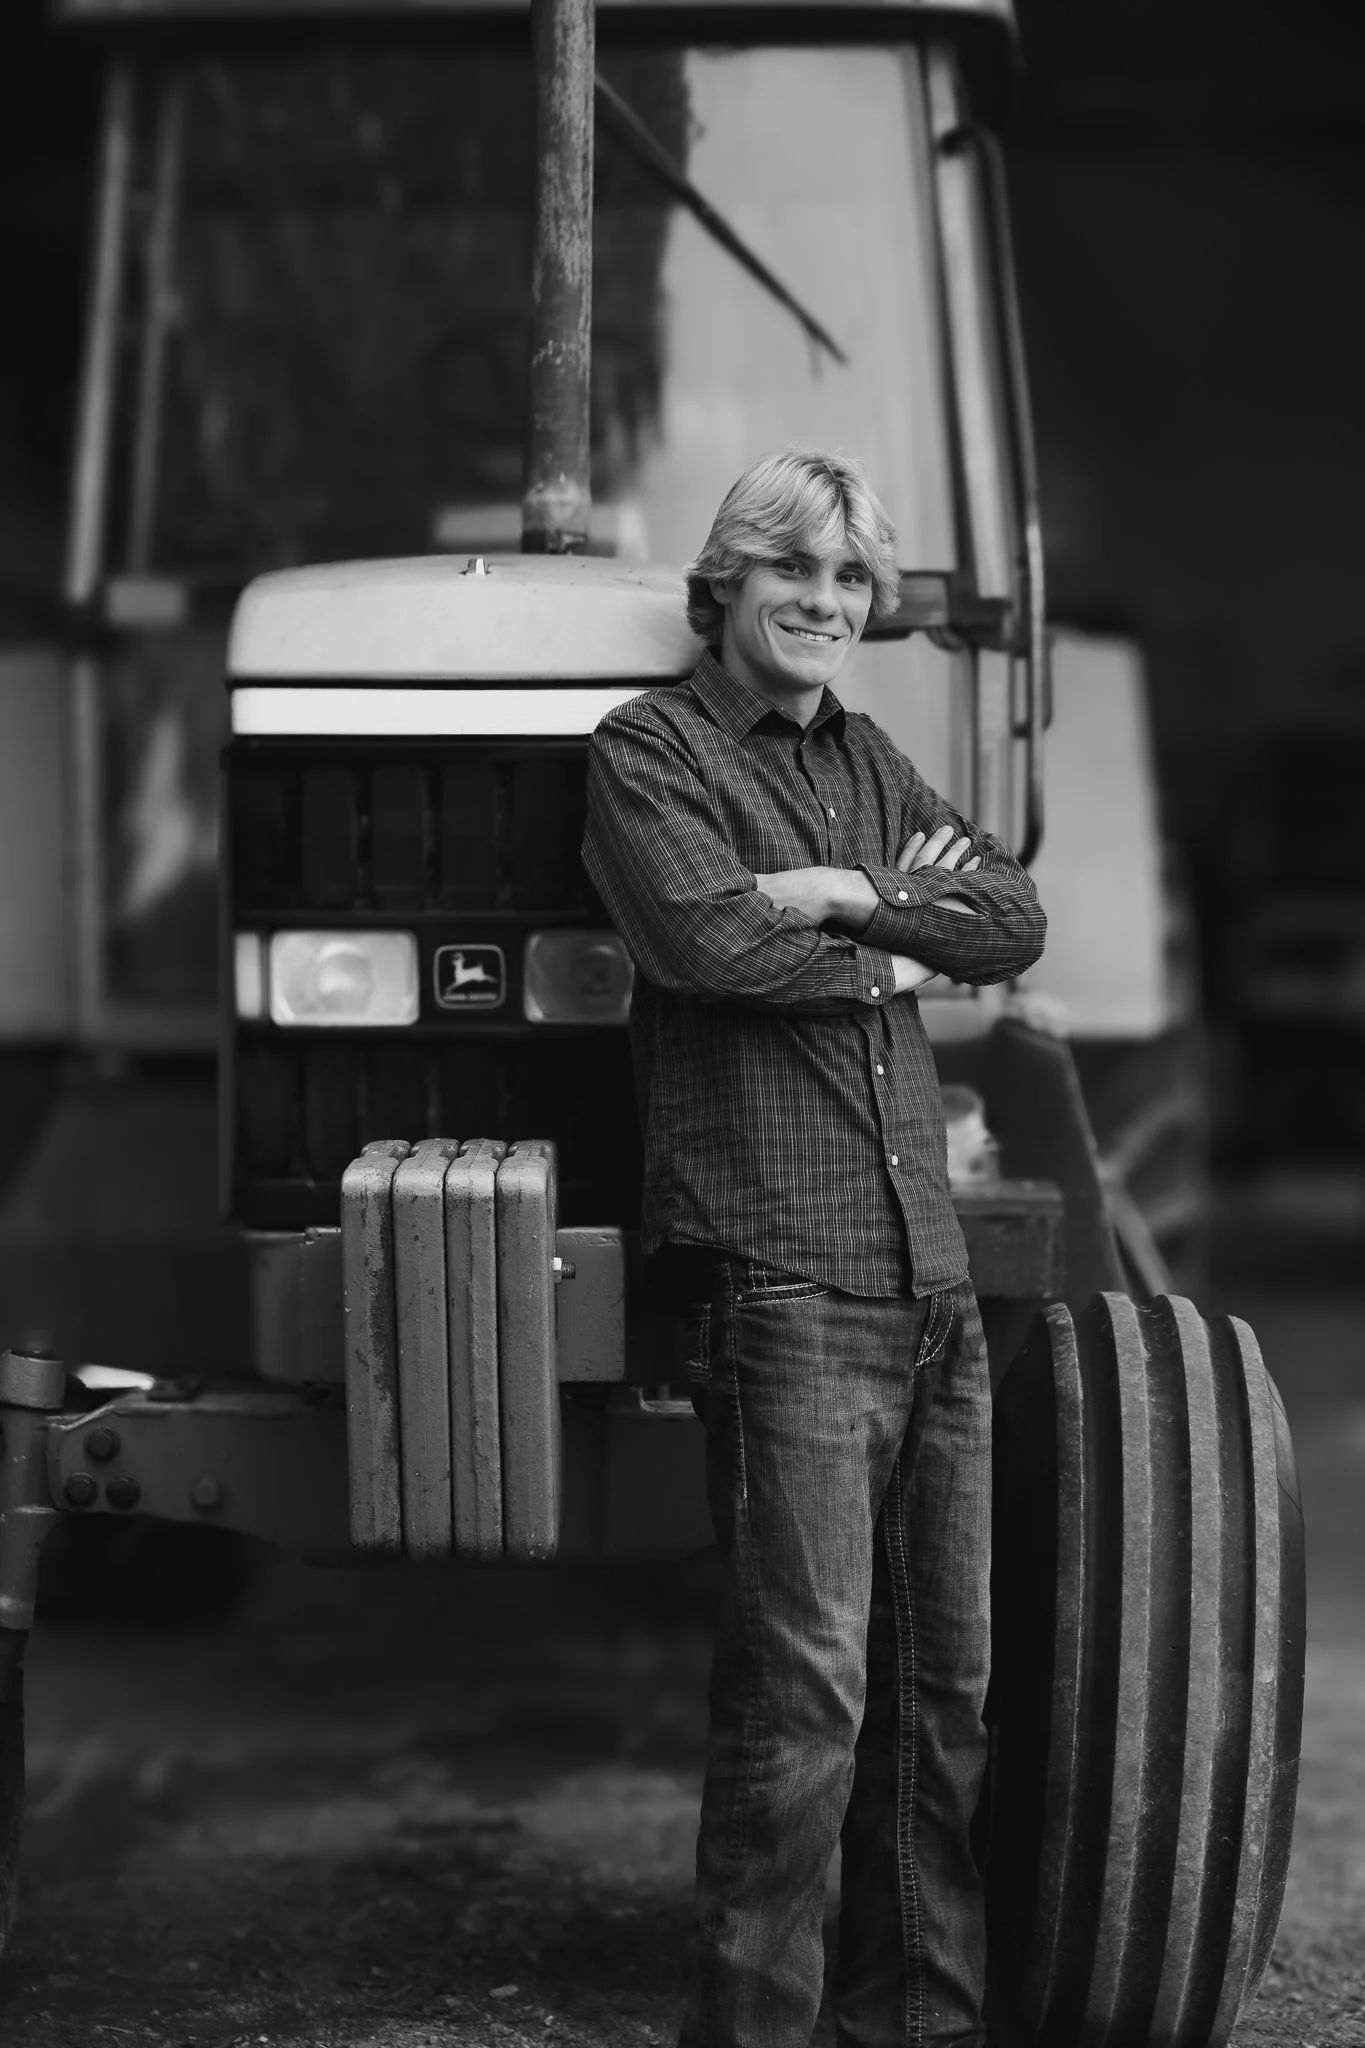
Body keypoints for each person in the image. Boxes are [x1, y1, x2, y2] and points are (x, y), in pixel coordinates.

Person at [582, 449, 1046, 2048]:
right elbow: (705, 938)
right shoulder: (650, 754)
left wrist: (849, 895)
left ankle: (917, 2023)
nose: (829, 605)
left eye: (852, 580)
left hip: (928, 1280)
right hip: (786, 1281)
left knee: (942, 1707)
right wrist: (901, 954)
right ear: (726, 583)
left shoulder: (869, 762)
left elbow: (1013, 914)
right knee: (804, 1711)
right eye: (798, 572)